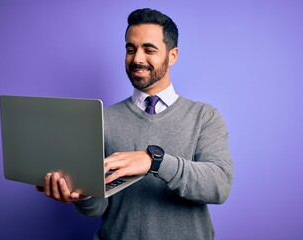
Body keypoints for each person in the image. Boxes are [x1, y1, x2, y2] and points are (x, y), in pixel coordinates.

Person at [41, 8, 233, 240]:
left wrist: (155, 162)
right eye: (130, 49)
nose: (137, 58)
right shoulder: (102, 119)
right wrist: (81, 195)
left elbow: (219, 186)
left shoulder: (204, 116)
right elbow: (97, 208)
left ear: (173, 56)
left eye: (148, 50)